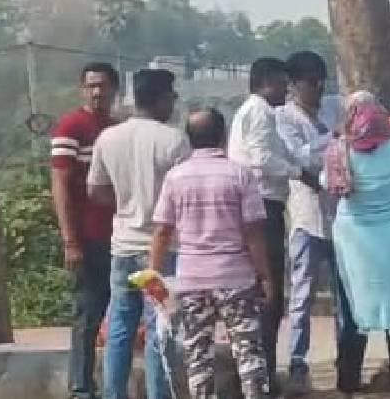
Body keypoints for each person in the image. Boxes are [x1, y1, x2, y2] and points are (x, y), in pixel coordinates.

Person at [150, 108, 274, 399]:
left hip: (192, 279)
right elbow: (253, 233)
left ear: (189, 139)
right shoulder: (240, 175)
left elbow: (161, 232)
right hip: (237, 278)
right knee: (249, 354)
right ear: (223, 135)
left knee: (198, 356)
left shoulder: (175, 177)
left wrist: (153, 278)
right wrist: (265, 277)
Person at [87, 69, 191, 399]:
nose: (173, 103)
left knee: (120, 327)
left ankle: (114, 394)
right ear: (160, 98)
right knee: (159, 328)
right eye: (172, 97)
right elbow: (185, 198)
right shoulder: (173, 139)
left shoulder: (109, 137)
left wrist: (126, 205)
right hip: (160, 251)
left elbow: (95, 190)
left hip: (122, 247)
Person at [323, 92, 390, 398]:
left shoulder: (338, 152)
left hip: (354, 239)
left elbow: (326, 183)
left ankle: (347, 385)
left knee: (354, 308)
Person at [227, 57, 313, 393]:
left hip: (258, 205)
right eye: (281, 83)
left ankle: (257, 372)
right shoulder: (261, 111)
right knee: (270, 293)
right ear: (265, 83)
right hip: (262, 206)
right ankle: (261, 376)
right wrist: (299, 172)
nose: (286, 90)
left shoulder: (253, 111)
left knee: (262, 295)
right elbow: (261, 159)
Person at [275, 52, 345, 396]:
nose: (317, 90)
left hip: (341, 216)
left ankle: (346, 362)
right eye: (310, 84)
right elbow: (298, 156)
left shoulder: (336, 105)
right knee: (301, 295)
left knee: (345, 295)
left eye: (321, 82)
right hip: (306, 218)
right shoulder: (282, 117)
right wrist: (334, 136)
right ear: (294, 86)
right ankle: (298, 364)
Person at [51, 62, 121, 399]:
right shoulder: (72, 126)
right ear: (82, 89)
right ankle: (80, 388)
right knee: (87, 313)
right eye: (91, 86)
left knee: (121, 312)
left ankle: (110, 385)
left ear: (114, 90)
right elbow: (61, 185)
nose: (97, 92)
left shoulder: (116, 128)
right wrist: (70, 240)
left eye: (103, 86)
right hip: (87, 236)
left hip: (117, 237)